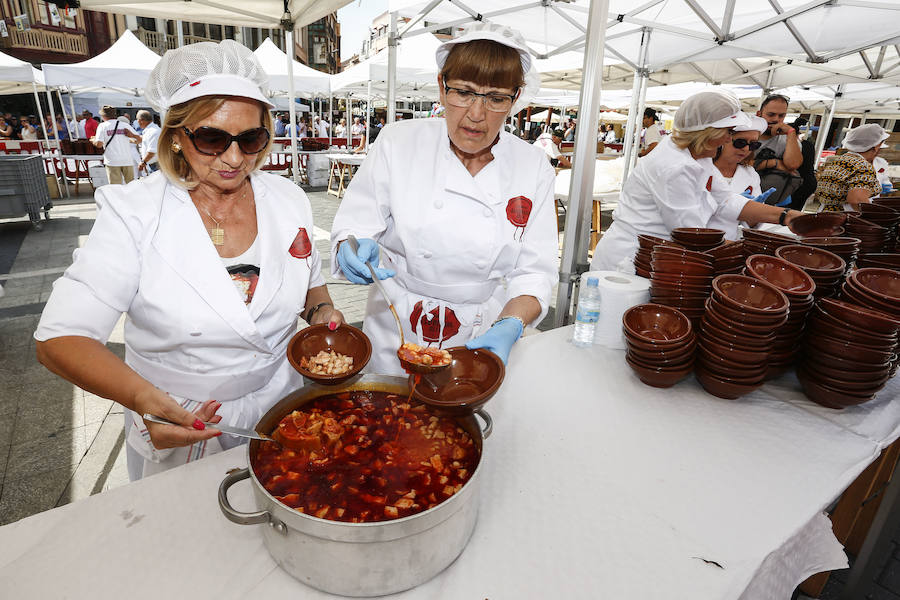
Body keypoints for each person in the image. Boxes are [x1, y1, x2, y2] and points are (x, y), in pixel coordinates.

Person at [34, 39, 344, 481]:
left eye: (250, 138)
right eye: (212, 139)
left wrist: (321, 311)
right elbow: (59, 340)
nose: (235, 158)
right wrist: (143, 400)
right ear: (176, 137)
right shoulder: (134, 213)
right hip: (182, 420)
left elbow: (307, 285)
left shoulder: (289, 199)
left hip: (282, 404)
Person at [330, 22, 557, 375]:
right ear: (441, 86)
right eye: (463, 92)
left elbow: (534, 271)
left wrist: (511, 324)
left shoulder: (533, 166)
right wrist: (352, 244)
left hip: (482, 330)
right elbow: (356, 224)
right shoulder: (398, 142)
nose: (477, 114)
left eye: (496, 98)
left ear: (515, 98)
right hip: (398, 324)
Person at [591, 89, 802, 272]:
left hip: (657, 257)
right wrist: (758, 254)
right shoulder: (674, 167)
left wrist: (787, 217)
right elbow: (692, 235)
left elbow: (726, 200)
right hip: (630, 260)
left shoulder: (698, 155)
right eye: (728, 132)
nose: (729, 139)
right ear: (708, 133)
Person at [813, 123, 888, 212]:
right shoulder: (862, 166)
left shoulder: (838, 161)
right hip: (844, 218)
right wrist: (872, 218)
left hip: (825, 214)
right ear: (876, 147)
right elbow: (857, 200)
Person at [753, 94, 803, 205]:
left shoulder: (789, 140)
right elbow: (738, 164)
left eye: (781, 116)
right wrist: (775, 163)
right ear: (758, 114)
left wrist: (791, 133)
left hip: (777, 201)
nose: (776, 119)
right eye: (771, 115)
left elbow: (793, 165)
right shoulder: (748, 134)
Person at [92, 105, 141, 185]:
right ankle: (132, 197)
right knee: (131, 185)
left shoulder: (102, 126)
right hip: (127, 160)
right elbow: (139, 140)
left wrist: (93, 140)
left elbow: (99, 144)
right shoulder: (125, 125)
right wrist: (132, 136)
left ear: (103, 116)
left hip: (112, 161)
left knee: (115, 187)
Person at [136, 109, 161, 175]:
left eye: (137, 120)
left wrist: (143, 163)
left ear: (141, 120)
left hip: (156, 166)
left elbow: (152, 151)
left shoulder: (153, 132)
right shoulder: (151, 130)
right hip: (153, 165)